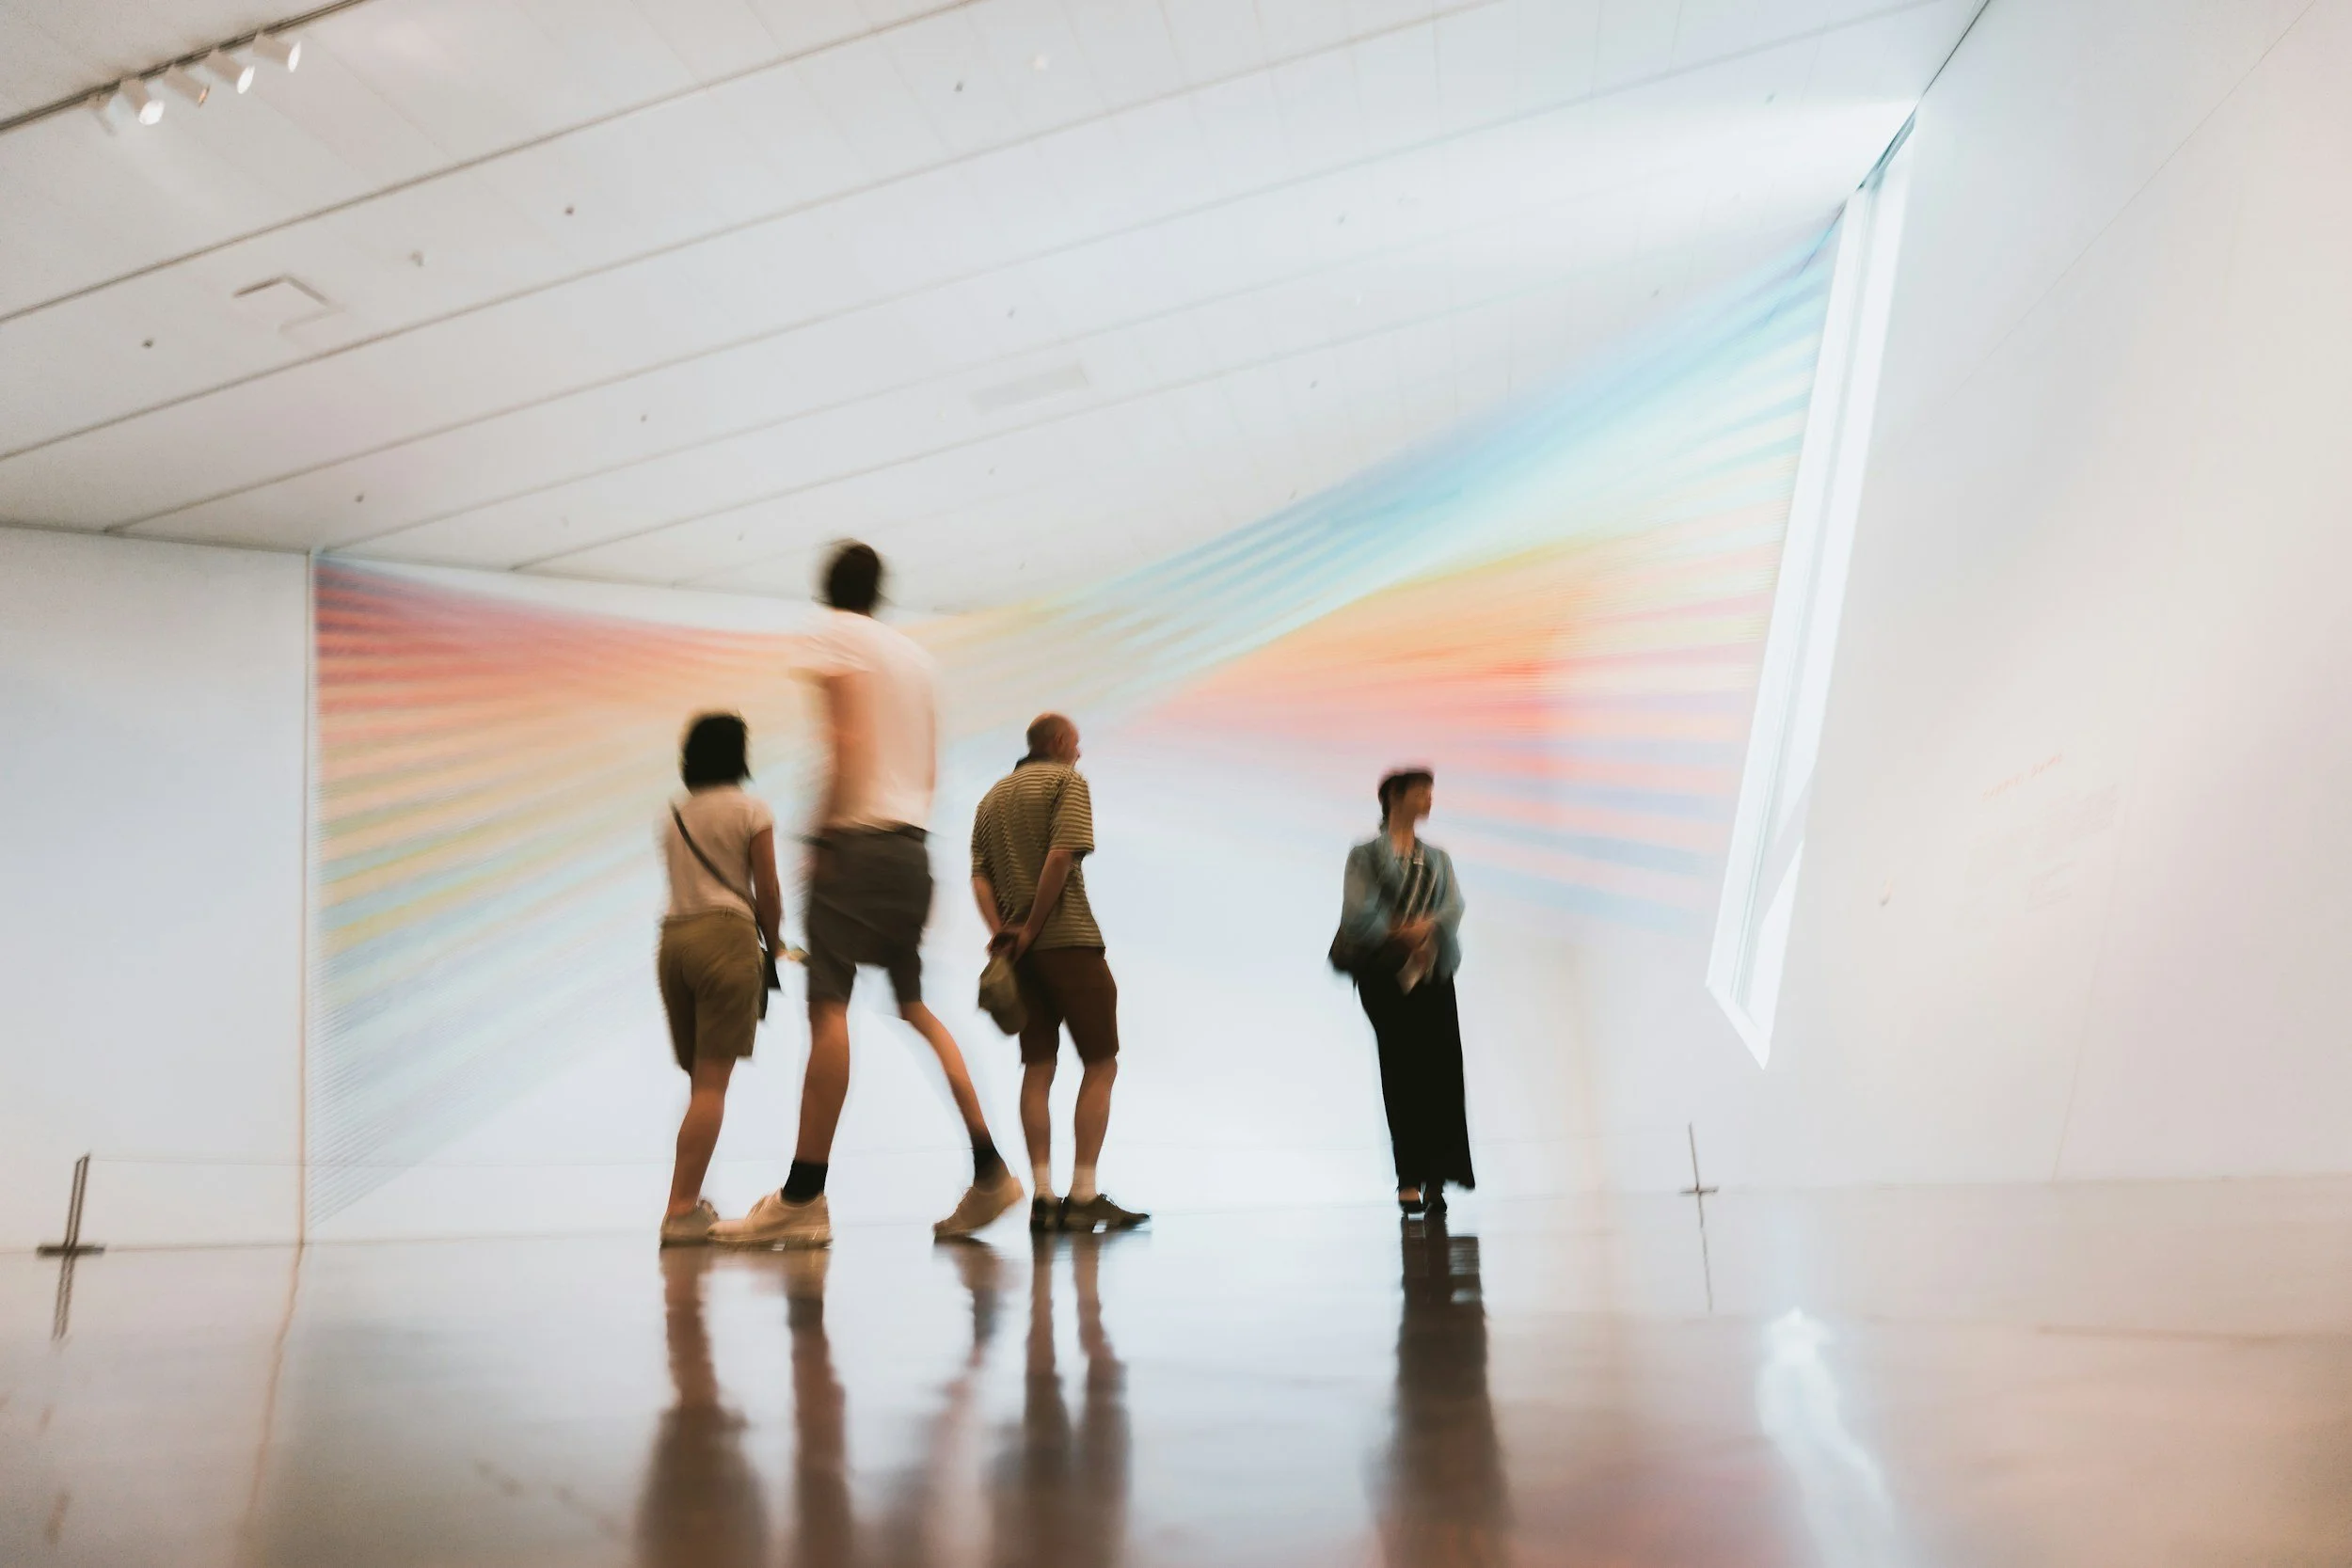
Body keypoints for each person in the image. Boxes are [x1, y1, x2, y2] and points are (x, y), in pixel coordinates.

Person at [715, 543, 1022, 1250]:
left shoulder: (833, 632)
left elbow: (844, 736)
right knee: (915, 1006)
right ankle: (990, 1170)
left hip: (853, 845)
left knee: (829, 1010)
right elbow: (931, 768)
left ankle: (802, 1196)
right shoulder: (916, 659)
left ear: (828, 587)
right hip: (911, 849)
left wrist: (821, 837)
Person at [970, 715, 1147, 1234]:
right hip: (1069, 940)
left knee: (1037, 1068)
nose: (1080, 753)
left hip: (1020, 958)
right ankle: (1084, 1194)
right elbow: (1062, 855)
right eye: (1077, 743)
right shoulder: (1067, 783)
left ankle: (1043, 1195)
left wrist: (1006, 933)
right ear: (1060, 743)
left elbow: (979, 877)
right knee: (1101, 1063)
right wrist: (1033, 926)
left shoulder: (992, 797)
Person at [658, 713, 783, 1246]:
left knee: (699, 1086)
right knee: (712, 1087)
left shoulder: (674, 814)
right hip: (725, 938)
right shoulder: (751, 809)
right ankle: (679, 1210)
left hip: (674, 941)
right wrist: (775, 943)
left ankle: (688, 1202)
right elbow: (767, 890)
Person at [1339, 768, 1474, 1214]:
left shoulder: (1436, 858)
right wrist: (1398, 931)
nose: (1429, 799)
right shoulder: (1365, 855)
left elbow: (1453, 905)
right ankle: (1409, 1178)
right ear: (1395, 796)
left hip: (1433, 971)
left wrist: (1426, 928)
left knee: (1442, 1074)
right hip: (1386, 977)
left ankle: (1438, 1179)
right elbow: (1359, 911)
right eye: (1421, 792)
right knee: (1401, 1072)